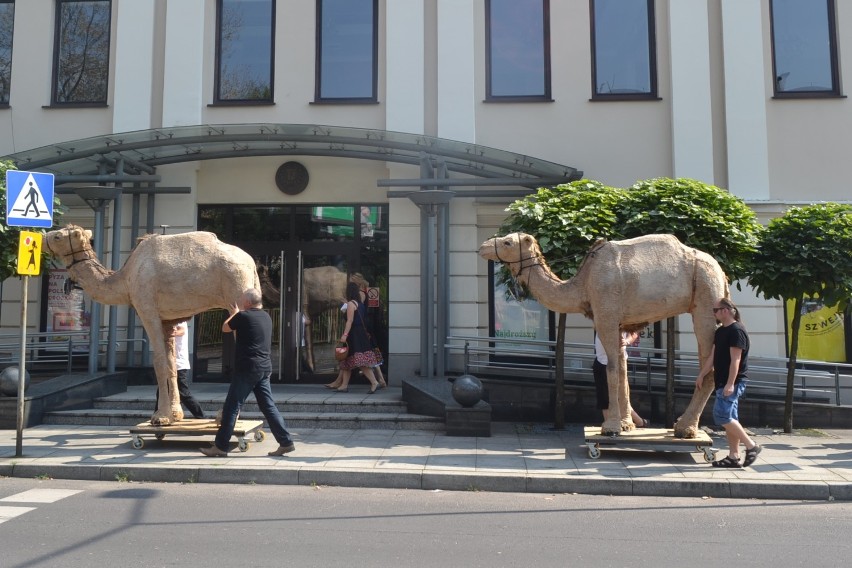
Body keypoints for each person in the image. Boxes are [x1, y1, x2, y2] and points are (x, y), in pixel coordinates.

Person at [200, 288, 296, 457]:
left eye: (243, 299)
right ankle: (286, 442)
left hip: (247, 368)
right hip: (264, 368)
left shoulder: (243, 316)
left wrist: (234, 313)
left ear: (248, 303)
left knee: (231, 407)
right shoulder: (266, 316)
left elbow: (225, 328)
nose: (241, 301)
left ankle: (220, 446)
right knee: (268, 407)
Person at [696, 297, 762, 468]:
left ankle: (751, 446)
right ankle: (733, 456)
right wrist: (702, 374)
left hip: (731, 382)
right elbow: (713, 356)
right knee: (731, 419)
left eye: (715, 310)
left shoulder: (736, 331)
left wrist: (730, 384)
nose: (714, 313)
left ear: (725, 310)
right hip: (722, 382)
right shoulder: (720, 332)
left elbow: (736, 360)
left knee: (722, 416)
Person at [325, 286, 387, 390]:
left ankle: (374, 381)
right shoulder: (361, 305)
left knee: (359, 361)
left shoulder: (350, 304)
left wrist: (344, 335)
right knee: (346, 361)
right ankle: (344, 385)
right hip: (360, 333)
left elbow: (350, 321)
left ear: (349, 293)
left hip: (354, 334)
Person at [593, 330, 649, 427]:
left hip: (618, 362)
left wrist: (627, 341)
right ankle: (638, 421)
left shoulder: (623, 319)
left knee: (621, 396)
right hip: (602, 362)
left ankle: (636, 421)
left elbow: (634, 332)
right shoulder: (603, 318)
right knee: (605, 398)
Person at [154, 321, 204, 419]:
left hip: (178, 364)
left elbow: (182, 330)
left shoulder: (179, 318)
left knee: (183, 393)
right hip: (168, 363)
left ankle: (201, 416)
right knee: (161, 392)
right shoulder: (169, 317)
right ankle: (158, 417)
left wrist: (170, 333)